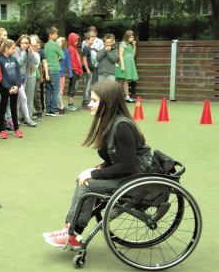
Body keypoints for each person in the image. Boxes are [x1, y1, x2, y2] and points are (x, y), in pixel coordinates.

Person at [43, 80, 152, 248]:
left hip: (133, 179)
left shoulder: (122, 126)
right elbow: (115, 158)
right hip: (127, 175)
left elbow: (127, 167)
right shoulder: (111, 122)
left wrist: (94, 174)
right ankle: (69, 229)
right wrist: (100, 167)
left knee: (88, 184)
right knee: (83, 178)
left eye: (94, 101)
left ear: (107, 104)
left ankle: (72, 233)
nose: (89, 104)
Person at [0, 39, 23, 139]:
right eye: (13, 48)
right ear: (7, 49)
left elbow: (18, 73)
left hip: (14, 88)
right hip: (4, 89)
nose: (14, 50)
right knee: (2, 109)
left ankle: (16, 129)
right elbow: (0, 76)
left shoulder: (14, 59)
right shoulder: (0, 60)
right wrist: (8, 88)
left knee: (13, 108)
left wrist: (17, 85)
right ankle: (2, 130)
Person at [14, 35, 38, 128]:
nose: (25, 45)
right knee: (22, 98)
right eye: (23, 43)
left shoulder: (28, 51)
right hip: (16, 79)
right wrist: (24, 51)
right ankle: (26, 119)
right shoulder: (16, 50)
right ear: (19, 42)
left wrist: (31, 52)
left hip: (24, 78)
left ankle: (19, 118)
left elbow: (36, 62)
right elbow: (19, 63)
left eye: (27, 43)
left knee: (20, 99)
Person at [44, 27, 65, 116]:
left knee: (48, 90)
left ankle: (48, 110)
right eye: (55, 34)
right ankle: (54, 109)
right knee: (56, 90)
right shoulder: (56, 44)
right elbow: (63, 57)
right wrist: (58, 59)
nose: (56, 35)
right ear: (50, 35)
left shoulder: (46, 45)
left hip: (47, 70)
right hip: (55, 69)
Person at [115, 30, 139, 102]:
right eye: (130, 37)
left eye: (133, 37)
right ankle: (126, 97)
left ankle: (117, 96)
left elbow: (133, 55)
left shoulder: (130, 45)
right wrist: (122, 65)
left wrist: (134, 46)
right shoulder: (123, 44)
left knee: (123, 80)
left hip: (130, 63)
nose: (132, 38)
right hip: (125, 63)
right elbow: (121, 55)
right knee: (125, 80)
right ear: (127, 37)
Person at [30, 35, 47, 121]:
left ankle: (39, 113)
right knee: (28, 97)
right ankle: (29, 114)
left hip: (36, 77)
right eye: (32, 46)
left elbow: (39, 66)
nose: (33, 48)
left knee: (36, 96)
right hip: (28, 77)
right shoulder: (26, 53)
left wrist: (41, 76)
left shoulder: (37, 54)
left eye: (35, 46)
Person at [67, 32, 84, 111]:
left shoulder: (74, 48)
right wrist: (76, 70)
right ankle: (70, 105)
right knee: (72, 87)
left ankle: (71, 104)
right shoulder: (71, 49)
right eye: (75, 41)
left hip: (76, 71)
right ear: (71, 40)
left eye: (77, 41)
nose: (76, 42)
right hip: (74, 72)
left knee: (74, 87)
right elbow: (72, 61)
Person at [82, 32, 97, 112]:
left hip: (90, 70)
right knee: (87, 87)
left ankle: (86, 102)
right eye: (91, 40)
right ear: (87, 40)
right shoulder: (85, 48)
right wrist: (88, 70)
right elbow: (84, 60)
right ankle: (85, 103)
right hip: (87, 71)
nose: (93, 41)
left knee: (88, 87)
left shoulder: (89, 48)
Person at [57, 37, 72, 113]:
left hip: (62, 73)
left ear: (63, 43)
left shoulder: (66, 51)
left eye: (59, 42)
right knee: (58, 90)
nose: (57, 43)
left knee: (61, 90)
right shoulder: (55, 50)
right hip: (56, 72)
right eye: (57, 42)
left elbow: (68, 62)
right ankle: (60, 106)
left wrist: (70, 73)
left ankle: (60, 106)